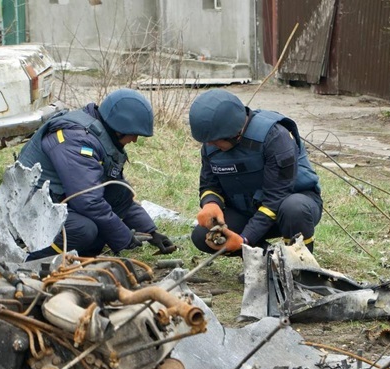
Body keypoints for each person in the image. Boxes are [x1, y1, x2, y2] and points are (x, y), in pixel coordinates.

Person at [18, 88, 176, 261]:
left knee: (120, 192)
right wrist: (125, 238)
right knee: (83, 229)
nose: (134, 140)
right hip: (29, 208)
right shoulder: (76, 141)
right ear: (119, 127)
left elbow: (116, 193)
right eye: (134, 134)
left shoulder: (98, 134)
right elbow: (88, 201)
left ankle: (78, 255)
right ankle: (30, 259)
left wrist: (151, 233)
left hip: (54, 199)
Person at [189, 89, 323, 255]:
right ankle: (265, 259)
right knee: (202, 236)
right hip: (248, 210)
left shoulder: (275, 137)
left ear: (235, 133)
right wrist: (211, 203)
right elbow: (209, 184)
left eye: (214, 141)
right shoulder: (213, 141)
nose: (209, 145)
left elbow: (276, 198)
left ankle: (300, 262)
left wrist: (245, 239)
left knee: (293, 209)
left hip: (288, 208)